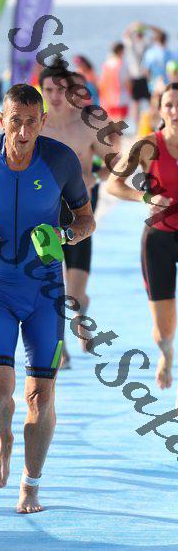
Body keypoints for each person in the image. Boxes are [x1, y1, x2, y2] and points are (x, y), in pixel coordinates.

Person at [0, 84, 95, 513]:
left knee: (41, 396)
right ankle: (3, 438)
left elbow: (87, 219)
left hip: (45, 292)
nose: (23, 132)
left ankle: (31, 485)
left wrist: (65, 234)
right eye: (15, 122)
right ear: (1, 120)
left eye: (31, 122)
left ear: (43, 121)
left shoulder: (60, 160)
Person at [39, 65, 120, 367]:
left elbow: (114, 159)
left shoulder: (87, 124)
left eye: (61, 90)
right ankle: (59, 346)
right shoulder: (37, 127)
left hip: (80, 211)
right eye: (48, 90)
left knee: (74, 292)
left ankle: (81, 314)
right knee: (51, 283)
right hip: (45, 211)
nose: (55, 96)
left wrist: (94, 177)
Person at [107, 83, 178, 390]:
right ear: (160, 110)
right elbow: (113, 185)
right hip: (158, 241)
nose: (175, 111)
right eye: (169, 105)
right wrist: (146, 198)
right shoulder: (148, 146)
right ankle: (166, 354)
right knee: (164, 331)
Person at [123, 22, 155, 131]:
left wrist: (146, 26)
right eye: (138, 33)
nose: (139, 34)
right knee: (135, 104)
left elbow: (156, 36)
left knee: (151, 102)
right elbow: (126, 34)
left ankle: (151, 125)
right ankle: (137, 127)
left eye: (141, 33)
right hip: (135, 78)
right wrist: (133, 26)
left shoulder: (146, 43)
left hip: (145, 78)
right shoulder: (131, 43)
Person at [98, 42, 131, 122]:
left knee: (112, 120)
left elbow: (101, 82)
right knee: (120, 121)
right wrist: (131, 93)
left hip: (108, 97)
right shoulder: (122, 64)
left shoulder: (107, 63)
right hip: (121, 97)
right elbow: (127, 82)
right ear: (121, 51)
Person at [143, 30, 173, 94]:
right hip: (167, 85)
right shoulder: (170, 53)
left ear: (155, 40)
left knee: (155, 100)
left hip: (154, 85)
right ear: (165, 40)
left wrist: (149, 82)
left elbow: (146, 70)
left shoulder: (150, 53)